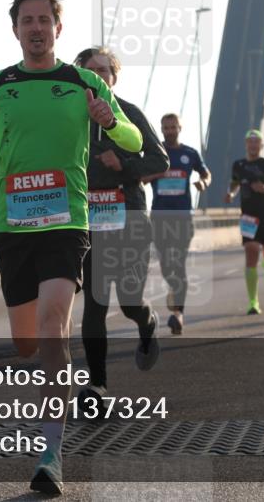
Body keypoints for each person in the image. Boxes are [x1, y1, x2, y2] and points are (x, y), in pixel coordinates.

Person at [0, 0, 142, 495]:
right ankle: (48, 416)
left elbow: (133, 141)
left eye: (44, 21)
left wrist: (110, 122)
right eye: (26, 21)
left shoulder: (83, 81)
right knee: (27, 340)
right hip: (14, 226)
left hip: (66, 219)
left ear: (58, 29)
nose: (36, 28)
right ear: (15, 30)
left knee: (56, 320)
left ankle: (51, 454)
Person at [74, 46, 168, 411]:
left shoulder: (129, 113)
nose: (98, 77)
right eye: (90, 71)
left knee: (129, 300)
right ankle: (97, 386)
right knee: (95, 305)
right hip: (88, 219)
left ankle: (147, 322)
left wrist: (124, 163)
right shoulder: (72, 114)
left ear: (114, 78)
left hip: (128, 215)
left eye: (104, 71)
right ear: (80, 75)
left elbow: (160, 160)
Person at [143, 113, 210, 335]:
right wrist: (155, 173)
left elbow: (206, 173)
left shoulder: (189, 153)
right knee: (166, 265)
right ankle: (175, 294)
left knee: (178, 263)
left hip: (182, 217)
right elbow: (141, 179)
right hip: (160, 217)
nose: (170, 131)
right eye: (166, 127)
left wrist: (202, 182)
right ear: (161, 129)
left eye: (173, 127)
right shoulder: (155, 152)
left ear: (180, 128)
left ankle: (178, 313)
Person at [224, 129, 264, 315]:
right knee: (251, 252)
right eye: (250, 142)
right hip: (248, 216)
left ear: (261, 145)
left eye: (256, 142)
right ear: (246, 144)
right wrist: (231, 193)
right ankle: (253, 301)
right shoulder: (238, 165)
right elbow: (234, 183)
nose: (253, 145)